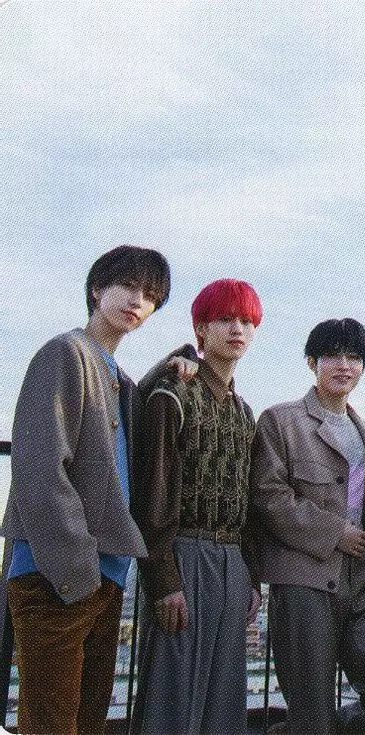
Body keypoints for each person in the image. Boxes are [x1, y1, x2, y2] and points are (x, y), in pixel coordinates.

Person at [0, 245, 171, 734]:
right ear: (97, 289)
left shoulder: (119, 377)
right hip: (56, 573)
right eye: (128, 286)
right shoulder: (65, 353)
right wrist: (75, 567)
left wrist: (175, 365)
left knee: (87, 722)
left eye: (150, 295)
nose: (137, 301)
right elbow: (39, 470)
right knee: (51, 724)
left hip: (104, 576)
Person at [249, 318, 365, 734]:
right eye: (333, 356)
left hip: (362, 581)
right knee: (311, 712)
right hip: (305, 581)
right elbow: (268, 496)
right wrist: (333, 532)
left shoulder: (362, 431)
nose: (344, 365)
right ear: (312, 362)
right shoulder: (281, 421)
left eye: (354, 357)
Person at [131, 278, 264, 734]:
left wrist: (251, 576)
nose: (237, 329)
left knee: (224, 704)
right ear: (201, 329)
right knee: (172, 698)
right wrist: (163, 579)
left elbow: (248, 497)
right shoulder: (173, 394)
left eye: (246, 321)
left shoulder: (244, 411)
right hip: (183, 554)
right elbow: (153, 493)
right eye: (224, 319)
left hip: (233, 560)